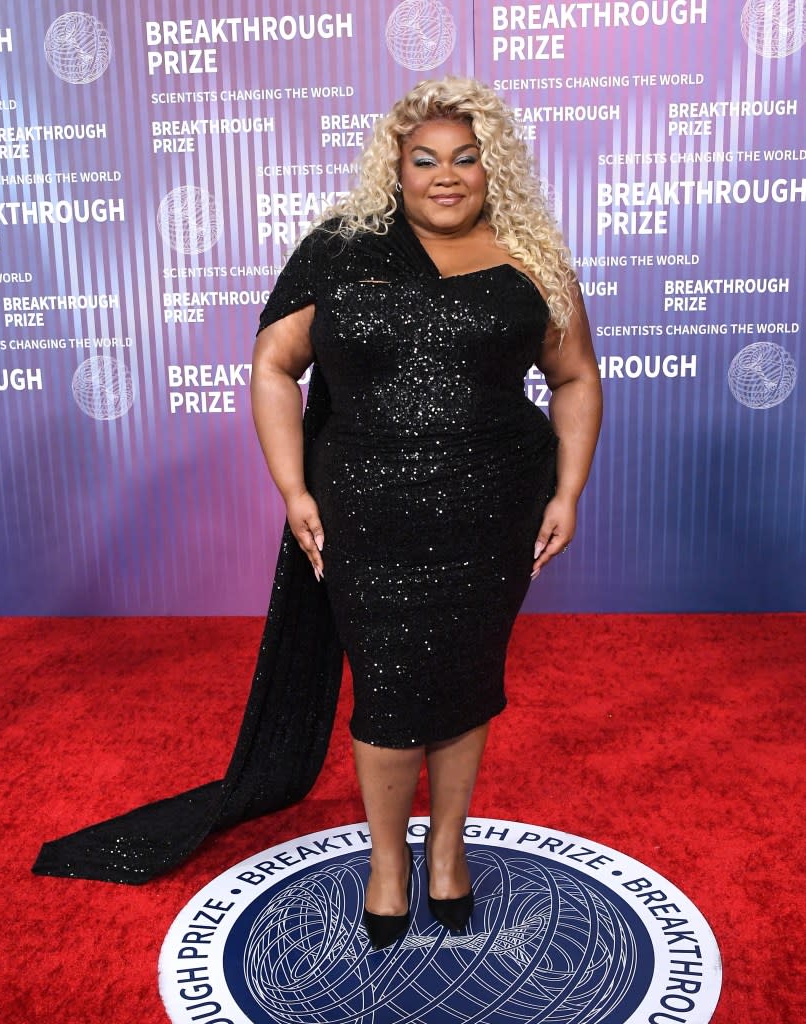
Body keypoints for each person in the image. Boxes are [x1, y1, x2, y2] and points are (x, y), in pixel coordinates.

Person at [250, 75, 602, 948]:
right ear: (397, 168)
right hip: (366, 511)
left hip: (493, 508)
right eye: (426, 159)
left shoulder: (531, 254)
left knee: (466, 682)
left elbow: (575, 377)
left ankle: (447, 851)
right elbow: (271, 365)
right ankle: (386, 861)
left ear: (493, 168)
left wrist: (566, 491)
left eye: (466, 158)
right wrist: (294, 491)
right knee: (389, 691)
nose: (447, 175)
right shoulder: (339, 248)